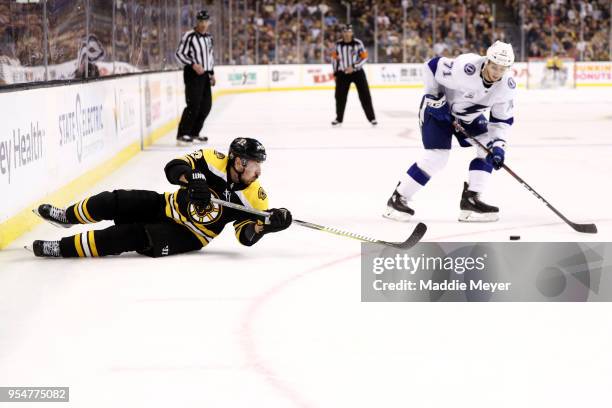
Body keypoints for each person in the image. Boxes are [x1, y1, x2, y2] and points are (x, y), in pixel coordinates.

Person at [30, 138, 292, 258]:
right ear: (238, 161)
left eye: (260, 165)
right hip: (166, 205)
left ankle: (62, 248)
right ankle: (67, 216)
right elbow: (173, 166)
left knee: (129, 235)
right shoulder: (213, 160)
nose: (259, 171)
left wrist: (263, 227)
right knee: (115, 200)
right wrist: (192, 179)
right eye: (255, 164)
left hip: (190, 234)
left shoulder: (256, 198)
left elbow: (244, 237)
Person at [384, 41, 516, 222]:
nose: (497, 73)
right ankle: (397, 198)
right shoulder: (466, 68)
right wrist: (434, 98)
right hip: (437, 111)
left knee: (488, 148)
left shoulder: (506, 87)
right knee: (437, 158)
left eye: (502, 69)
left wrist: (498, 147)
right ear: (487, 61)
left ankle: (471, 200)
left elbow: (501, 120)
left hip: (467, 117)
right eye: (494, 67)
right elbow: (431, 66)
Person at [175, 10, 216, 146]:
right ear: (197, 22)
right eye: (201, 22)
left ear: (209, 22)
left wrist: (211, 73)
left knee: (206, 106)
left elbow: (210, 57)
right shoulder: (189, 36)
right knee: (193, 104)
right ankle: (183, 134)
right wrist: (193, 64)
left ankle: (194, 133)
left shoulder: (209, 38)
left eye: (205, 22)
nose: (203, 24)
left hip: (205, 75)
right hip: (192, 74)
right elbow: (179, 54)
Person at [331, 24, 377, 127]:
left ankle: (372, 118)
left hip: (358, 73)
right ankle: (339, 119)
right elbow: (334, 59)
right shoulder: (338, 44)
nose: (347, 34)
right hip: (343, 74)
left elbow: (364, 57)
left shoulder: (358, 43)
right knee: (339, 97)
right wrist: (335, 73)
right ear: (342, 33)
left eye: (349, 32)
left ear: (352, 33)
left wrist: (354, 66)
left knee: (365, 95)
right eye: (345, 32)